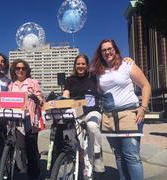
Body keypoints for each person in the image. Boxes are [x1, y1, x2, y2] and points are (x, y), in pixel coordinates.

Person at [91, 39, 151, 180]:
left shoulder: (127, 65)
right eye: (104, 50)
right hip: (109, 116)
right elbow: (98, 92)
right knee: (118, 155)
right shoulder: (99, 72)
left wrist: (143, 108)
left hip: (129, 114)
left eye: (110, 48)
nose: (107, 52)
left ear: (115, 50)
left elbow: (146, 85)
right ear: (101, 53)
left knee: (132, 156)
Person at [62, 54, 105, 179]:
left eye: (83, 64)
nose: (80, 66)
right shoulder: (70, 80)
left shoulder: (93, 78)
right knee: (79, 145)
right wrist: (62, 100)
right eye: (78, 64)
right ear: (75, 65)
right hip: (77, 113)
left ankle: (98, 159)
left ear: (87, 65)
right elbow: (66, 94)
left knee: (92, 126)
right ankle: (82, 169)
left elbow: (106, 70)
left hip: (93, 111)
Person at [8, 59, 43, 180]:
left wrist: (36, 97)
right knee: (20, 147)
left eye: (23, 68)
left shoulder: (33, 82)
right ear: (14, 70)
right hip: (16, 119)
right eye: (18, 68)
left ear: (27, 70)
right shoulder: (11, 85)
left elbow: (40, 98)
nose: (21, 70)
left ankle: (34, 175)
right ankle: (23, 170)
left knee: (31, 148)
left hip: (30, 118)